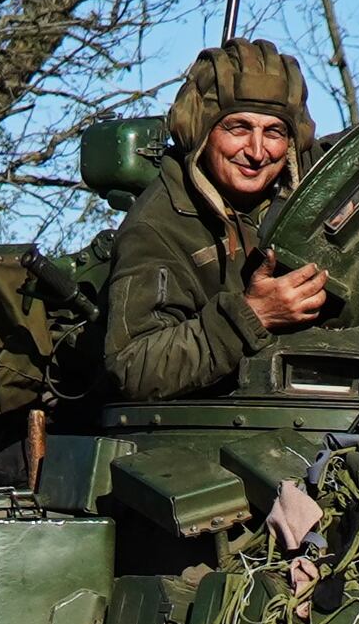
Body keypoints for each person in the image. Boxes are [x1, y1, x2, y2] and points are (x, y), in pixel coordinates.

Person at [96, 39, 333, 400]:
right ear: (203, 132)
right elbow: (134, 364)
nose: (256, 152)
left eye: (273, 132)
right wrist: (253, 315)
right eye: (238, 128)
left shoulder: (309, 180)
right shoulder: (157, 226)